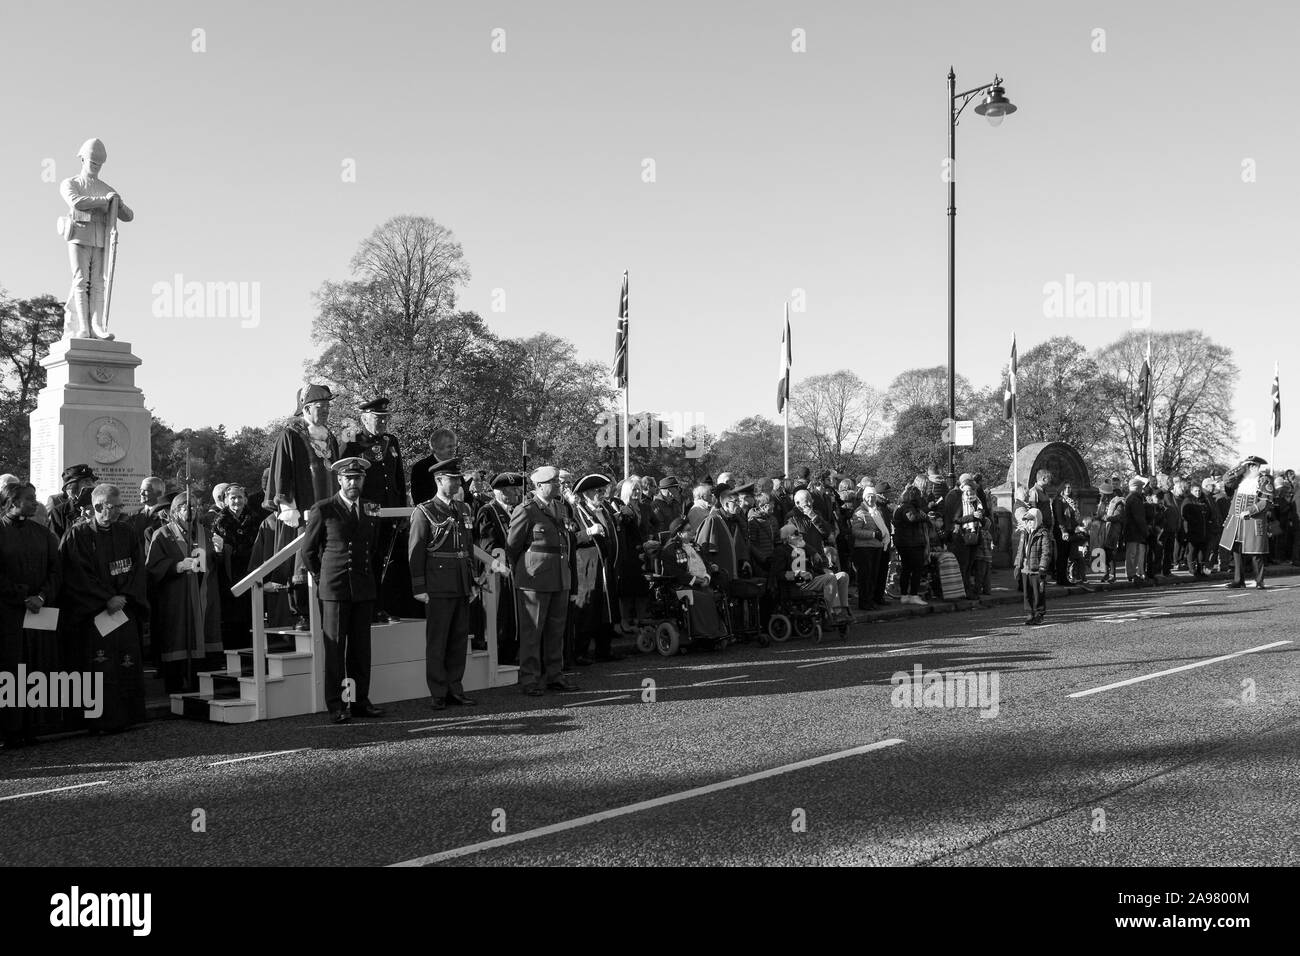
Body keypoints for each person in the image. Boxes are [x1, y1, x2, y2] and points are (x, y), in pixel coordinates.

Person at [60, 484, 148, 733]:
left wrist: (125, 596)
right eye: (114, 507)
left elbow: (137, 566)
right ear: (98, 506)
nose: (120, 511)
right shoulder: (78, 536)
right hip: (95, 613)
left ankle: (129, 716)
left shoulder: (126, 531)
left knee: (127, 661)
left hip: (124, 609)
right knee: (100, 665)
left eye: (121, 506)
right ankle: (100, 721)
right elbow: (78, 575)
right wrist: (106, 598)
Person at [303, 457, 385, 723]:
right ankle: (336, 705)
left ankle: (361, 701)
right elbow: (308, 552)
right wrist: (321, 577)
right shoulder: (324, 509)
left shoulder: (371, 509)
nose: (353, 483)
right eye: (348, 478)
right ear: (339, 480)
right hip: (335, 589)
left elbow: (374, 548)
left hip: (363, 587)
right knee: (335, 650)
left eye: (357, 478)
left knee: (362, 650)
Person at [268, 384, 340, 630]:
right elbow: (282, 471)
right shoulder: (290, 435)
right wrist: (288, 504)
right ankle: (301, 613)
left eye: (328, 406)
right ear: (306, 409)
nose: (326, 411)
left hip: (330, 512)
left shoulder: (329, 436)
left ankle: (326, 609)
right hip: (304, 514)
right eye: (321, 407)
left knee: (328, 559)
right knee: (301, 560)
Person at [409, 457, 478, 711]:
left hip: (460, 581)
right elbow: (416, 552)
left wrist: (471, 582)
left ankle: (455, 688)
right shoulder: (424, 510)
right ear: (439, 480)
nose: (458, 482)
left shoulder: (464, 509)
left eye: (458, 478)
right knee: (438, 640)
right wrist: (419, 586)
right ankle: (438, 691)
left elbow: (467, 548)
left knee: (458, 639)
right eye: (454, 478)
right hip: (437, 583)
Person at [506, 466, 579, 696]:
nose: (558, 485)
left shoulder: (560, 507)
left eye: (558, 481)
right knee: (532, 632)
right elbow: (512, 546)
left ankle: (555, 675)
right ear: (539, 486)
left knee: (556, 630)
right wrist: (526, 569)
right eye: (553, 482)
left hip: (559, 576)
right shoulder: (526, 510)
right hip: (534, 579)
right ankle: (530, 679)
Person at [0, 482, 63, 747]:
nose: (35, 502)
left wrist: (41, 596)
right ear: (11, 502)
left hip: (38, 610)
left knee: (36, 667)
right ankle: (7, 730)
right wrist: (20, 595)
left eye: (35, 498)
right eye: (29, 498)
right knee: (10, 670)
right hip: (7, 614)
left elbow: (56, 570)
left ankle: (32, 726)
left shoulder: (43, 533)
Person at [342, 397, 409, 623]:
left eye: (385, 419)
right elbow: (344, 476)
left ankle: (381, 606)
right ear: (364, 419)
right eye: (377, 419)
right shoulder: (353, 441)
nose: (382, 423)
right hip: (368, 510)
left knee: (385, 560)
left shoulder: (392, 441)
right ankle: (367, 607)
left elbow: (398, 477)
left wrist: (403, 509)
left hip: (390, 511)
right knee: (367, 559)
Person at [59, 138, 135, 339]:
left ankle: (97, 325)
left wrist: (117, 203)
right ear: (83, 159)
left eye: (99, 164)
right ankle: (83, 326)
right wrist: (104, 202)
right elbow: (76, 202)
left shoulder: (106, 188)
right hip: (78, 236)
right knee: (81, 281)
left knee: (99, 283)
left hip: (101, 240)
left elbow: (128, 216)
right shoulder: (71, 183)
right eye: (92, 162)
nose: (95, 167)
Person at [146, 493, 222, 693]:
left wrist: (221, 551)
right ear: (174, 512)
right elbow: (152, 566)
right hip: (177, 599)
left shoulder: (204, 533)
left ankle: (202, 686)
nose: (191, 511)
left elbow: (213, 564)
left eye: (195, 507)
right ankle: (176, 687)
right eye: (186, 507)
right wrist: (176, 566)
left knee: (204, 638)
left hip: (203, 596)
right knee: (177, 638)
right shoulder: (162, 534)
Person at [570, 474, 624, 665]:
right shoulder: (576, 512)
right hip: (587, 566)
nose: (600, 494)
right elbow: (572, 538)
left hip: (607, 564)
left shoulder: (606, 509)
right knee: (588, 609)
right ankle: (580, 652)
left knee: (606, 608)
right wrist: (588, 532)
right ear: (585, 494)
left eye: (602, 490)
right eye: (596, 491)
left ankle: (604, 649)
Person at [474, 472, 523, 666]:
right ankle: (500, 657)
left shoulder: (517, 510)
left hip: (517, 571)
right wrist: (503, 565)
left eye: (516, 489)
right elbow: (488, 545)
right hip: (498, 573)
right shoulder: (488, 511)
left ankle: (513, 654)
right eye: (511, 490)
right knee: (501, 617)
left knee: (514, 617)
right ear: (499, 492)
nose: (516, 493)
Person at [660, 517, 727, 638]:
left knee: (719, 591)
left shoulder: (696, 546)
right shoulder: (670, 549)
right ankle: (707, 632)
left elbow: (706, 564)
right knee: (703, 597)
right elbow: (675, 573)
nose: (693, 531)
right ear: (680, 533)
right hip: (683, 585)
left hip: (702, 583)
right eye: (689, 530)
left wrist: (706, 577)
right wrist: (695, 580)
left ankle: (719, 630)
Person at [212, 484, 261, 650]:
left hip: (250, 570)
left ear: (246, 499)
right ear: (226, 501)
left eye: (240, 497)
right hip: (228, 574)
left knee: (249, 615)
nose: (237, 501)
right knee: (231, 616)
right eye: (233, 497)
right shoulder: (219, 522)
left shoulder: (255, 519)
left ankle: (251, 652)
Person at [773, 524, 852, 621]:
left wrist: (823, 569)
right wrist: (797, 575)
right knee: (830, 578)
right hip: (798, 584)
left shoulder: (802, 548)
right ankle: (836, 613)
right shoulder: (781, 551)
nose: (800, 535)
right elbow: (778, 573)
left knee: (843, 576)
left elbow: (814, 566)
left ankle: (844, 609)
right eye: (796, 533)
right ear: (789, 537)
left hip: (811, 579)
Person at [1219, 457, 1273, 590]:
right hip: (1237, 521)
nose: (1251, 468)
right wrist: (1239, 467)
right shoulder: (1240, 479)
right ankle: (1239, 580)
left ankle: (1259, 581)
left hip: (1252, 521)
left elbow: (1265, 502)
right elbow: (1226, 479)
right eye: (1248, 466)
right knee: (1236, 551)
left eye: (1253, 466)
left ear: (1257, 467)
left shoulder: (1264, 480)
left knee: (1255, 553)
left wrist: (1250, 511)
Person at [850, 484, 890, 611]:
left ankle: (872, 600)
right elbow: (855, 532)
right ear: (864, 497)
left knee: (873, 576)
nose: (871, 499)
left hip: (876, 547)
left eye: (873, 497)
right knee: (865, 577)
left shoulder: (876, 511)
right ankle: (864, 603)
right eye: (868, 497)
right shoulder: (860, 512)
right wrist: (873, 534)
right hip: (864, 548)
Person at [892, 486, 930, 606]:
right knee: (916, 568)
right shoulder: (908, 508)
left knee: (906, 569)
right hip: (912, 543)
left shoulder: (901, 507)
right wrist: (924, 514)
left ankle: (904, 595)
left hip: (904, 543)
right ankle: (913, 594)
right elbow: (912, 518)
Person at [1014, 508, 1052, 625]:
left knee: (1038, 593)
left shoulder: (1043, 534)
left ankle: (1039, 614)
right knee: (1027, 594)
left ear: (1037, 520)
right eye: (1027, 521)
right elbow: (1020, 550)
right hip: (1025, 568)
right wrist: (1017, 565)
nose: (1029, 523)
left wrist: (1043, 568)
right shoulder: (1024, 533)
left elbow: (1046, 552)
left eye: (1031, 520)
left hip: (1037, 569)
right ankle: (1029, 613)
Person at [408, 427, 458, 508]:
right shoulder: (421, 468)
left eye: (454, 446)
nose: (453, 450)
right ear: (437, 448)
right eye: (449, 447)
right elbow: (419, 499)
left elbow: (466, 494)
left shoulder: (454, 466)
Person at [47, 464, 98, 542]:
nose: (91, 485)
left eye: (92, 481)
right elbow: (56, 543)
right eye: (86, 481)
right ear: (72, 487)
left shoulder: (101, 507)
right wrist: (81, 522)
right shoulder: (59, 512)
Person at [1180, 481, 1214, 578]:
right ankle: (1192, 569)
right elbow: (1184, 514)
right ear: (1192, 491)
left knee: (1202, 551)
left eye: (1199, 491)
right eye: (1196, 491)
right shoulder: (1188, 500)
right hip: (1193, 530)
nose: (1198, 493)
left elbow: (1209, 513)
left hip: (1204, 530)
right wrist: (1194, 521)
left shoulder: (1204, 500)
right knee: (1193, 550)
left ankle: (1200, 569)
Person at [1052, 482, 1082, 586]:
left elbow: (1074, 517)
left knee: (1067, 555)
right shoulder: (1059, 500)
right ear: (1061, 488)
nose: (1068, 489)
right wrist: (1063, 531)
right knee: (1062, 555)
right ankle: (1061, 578)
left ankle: (1064, 577)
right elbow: (1059, 518)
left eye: (1070, 487)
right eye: (1065, 487)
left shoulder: (1071, 501)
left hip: (1070, 530)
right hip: (1061, 531)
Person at [1123, 477, 1150, 587]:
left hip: (1132, 530)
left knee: (1133, 553)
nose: (1142, 489)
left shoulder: (1132, 498)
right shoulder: (1135, 499)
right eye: (1140, 487)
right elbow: (1139, 517)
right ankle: (1131, 573)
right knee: (1133, 553)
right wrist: (1145, 530)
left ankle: (1132, 573)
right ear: (1137, 488)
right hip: (1134, 530)